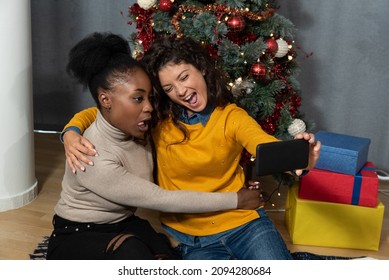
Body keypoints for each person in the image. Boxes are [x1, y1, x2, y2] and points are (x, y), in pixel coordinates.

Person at [61, 37, 321, 260]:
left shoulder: (231, 117)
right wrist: (71, 132)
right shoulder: (157, 119)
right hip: (191, 237)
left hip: (243, 222)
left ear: (202, 69)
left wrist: (298, 160)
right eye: (169, 88)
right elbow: (102, 111)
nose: (182, 91)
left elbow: (261, 142)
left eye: (184, 77)